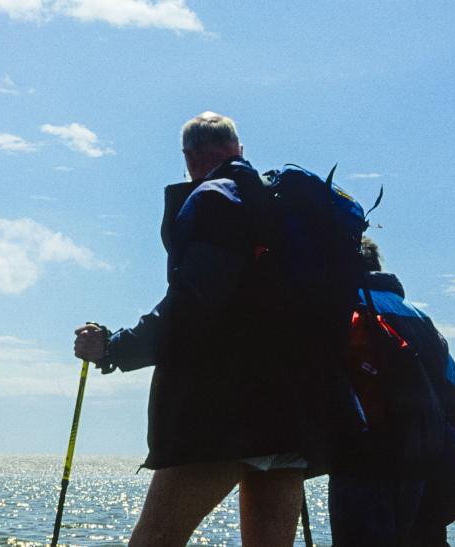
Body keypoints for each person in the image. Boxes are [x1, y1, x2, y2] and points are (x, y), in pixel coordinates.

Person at [72, 112, 321, 546]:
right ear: (239, 150)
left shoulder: (214, 200)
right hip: (289, 410)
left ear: (188, 158)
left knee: (156, 540)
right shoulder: (281, 207)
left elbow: (193, 304)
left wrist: (115, 348)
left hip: (220, 412)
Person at [327, 237, 455, 546]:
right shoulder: (420, 317)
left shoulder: (343, 306)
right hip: (425, 454)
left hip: (364, 457)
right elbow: (454, 389)